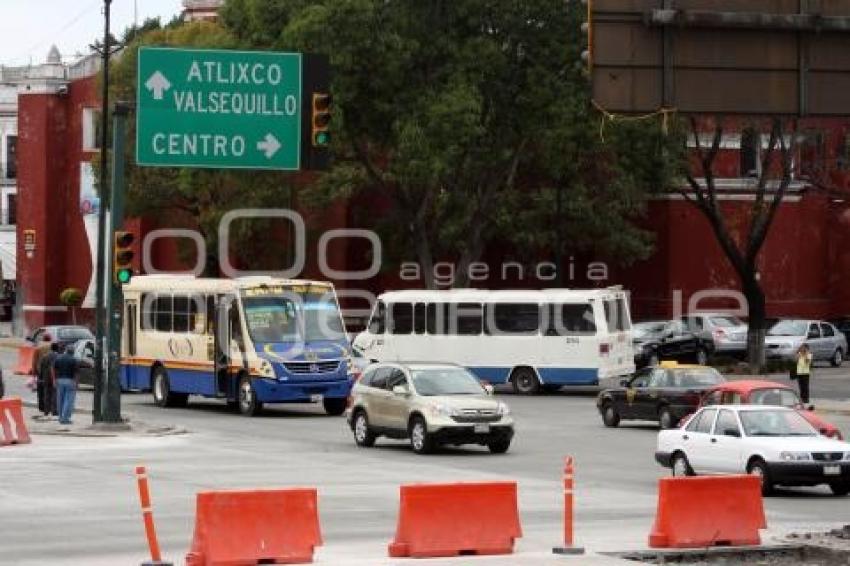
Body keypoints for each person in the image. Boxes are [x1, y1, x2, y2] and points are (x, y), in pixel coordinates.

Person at [53, 344, 79, 426]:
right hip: (70, 381)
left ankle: (60, 417)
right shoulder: (74, 360)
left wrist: (54, 379)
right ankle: (65, 418)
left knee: (60, 399)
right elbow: (76, 373)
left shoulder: (58, 358)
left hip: (59, 380)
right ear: (73, 352)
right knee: (68, 400)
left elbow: (53, 369)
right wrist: (76, 383)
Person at [37, 343, 60, 419]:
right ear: (57, 349)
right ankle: (54, 410)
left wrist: (40, 377)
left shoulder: (45, 357)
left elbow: (41, 367)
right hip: (55, 378)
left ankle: (46, 410)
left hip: (46, 378)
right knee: (54, 394)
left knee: (46, 394)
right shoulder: (58, 357)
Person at [32, 334, 52, 414]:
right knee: (50, 389)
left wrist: (34, 373)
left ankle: (41, 407)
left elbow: (34, 361)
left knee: (41, 390)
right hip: (51, 370)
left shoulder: (38, 348)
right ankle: (49, 406)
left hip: (40, 371)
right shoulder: (52, 346)